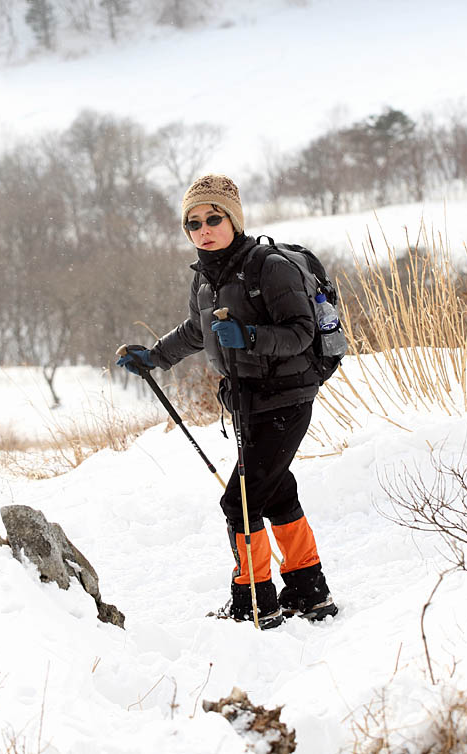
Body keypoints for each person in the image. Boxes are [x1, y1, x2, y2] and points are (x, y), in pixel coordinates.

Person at [116, 173, 337, 630]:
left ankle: (254, 603)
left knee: (238, 502)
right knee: (274, 491)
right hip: (246, 400)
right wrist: (154, 358)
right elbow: (198, 330)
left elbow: (301, 332)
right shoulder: (206, 279)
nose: (203, 229)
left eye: (213, 218)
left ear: (233, 219)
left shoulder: (270, 267)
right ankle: (309, 593)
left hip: (286, 398)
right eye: (192, 223)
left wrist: (250, 337)